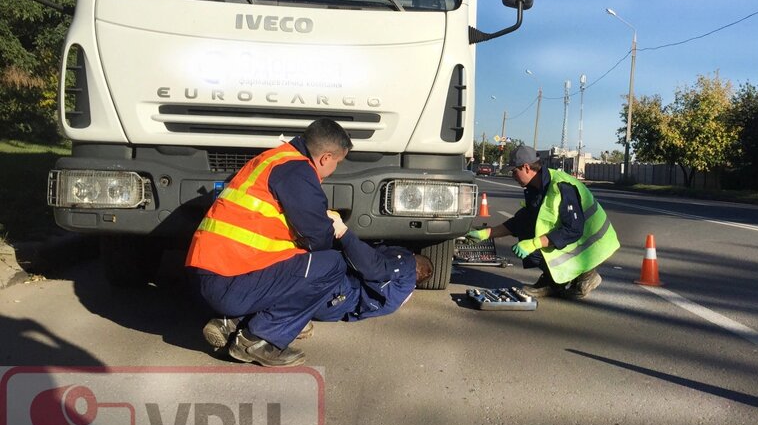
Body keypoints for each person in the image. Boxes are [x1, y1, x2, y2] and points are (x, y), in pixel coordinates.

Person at [187, 118, 431, 367]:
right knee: (331, 265)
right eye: (337, 162)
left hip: (214, 275)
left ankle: (234, 322)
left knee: (303, 264)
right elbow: (319, 239)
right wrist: (338, 230)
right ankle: (257, 340)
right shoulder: (298, 171)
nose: (334, 169)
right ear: (326, 158)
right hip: (231, 282)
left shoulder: (274, 159)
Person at [466, 145, 619, 298]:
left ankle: (584, 275)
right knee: (527, 234)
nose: (513, 176)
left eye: (514, 171)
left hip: (593, 245)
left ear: (526, 167)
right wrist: (485, 234)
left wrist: (533, 244)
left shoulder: (561, 186)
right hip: (577, 240)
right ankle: (556, 281)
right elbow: (522, 222)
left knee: (531, 247)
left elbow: (573, 230)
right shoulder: (536, 188)